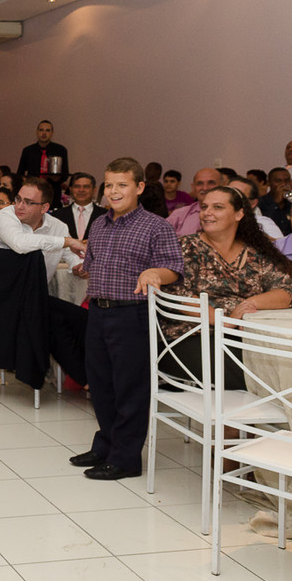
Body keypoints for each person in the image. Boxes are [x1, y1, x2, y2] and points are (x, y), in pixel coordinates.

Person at [70, 157, 182, 481]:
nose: (114, 191)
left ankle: (126, 458)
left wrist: (152, 272)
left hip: (132, 314)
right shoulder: (99, 225)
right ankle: (105, 444)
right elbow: (91, 262)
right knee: (100, 384)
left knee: (130, 388)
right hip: (98, 311)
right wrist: (84, 269)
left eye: (122, 185)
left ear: (140, 187)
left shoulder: (156, 226)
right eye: (109, 185)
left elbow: (173, 268)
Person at [161, 186, 292, 387]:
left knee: (286, 363)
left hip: (242, 338)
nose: (207, 213)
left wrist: (249, 303)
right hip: (188, 338)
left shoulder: (255, 253)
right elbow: (174, 293)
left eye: (217, 207)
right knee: (260, 372)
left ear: (239, 214)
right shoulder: (185, 247)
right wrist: (224, 321)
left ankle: (250, 418)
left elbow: (288, 291)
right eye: (205, 207)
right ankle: (238, 418)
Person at [0, 178, 85, 281]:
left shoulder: (58, 227)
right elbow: (20, 243)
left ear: (44, 208)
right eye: (18, 199)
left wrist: (79, 267)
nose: (19, 206)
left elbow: (72, 255)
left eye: (28, 202)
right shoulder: (4, 216)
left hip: (37, 294)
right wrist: (67, 241)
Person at [166, 167, 224, 237]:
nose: (205, 188)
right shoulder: (179, 215)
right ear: (193, 187)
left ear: (223, 186)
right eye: (199, 183)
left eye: (211, 183)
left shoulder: (231, 215)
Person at [52, 172, 107, 240]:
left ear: (94, 189)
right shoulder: (57, 216)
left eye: (86, 186)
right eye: (77, 186)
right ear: (70, 189)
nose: (81, 190)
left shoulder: (106, 215)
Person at [16, 119, 70, 187]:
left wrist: (57, 179)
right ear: (37, 132)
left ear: (52, 133)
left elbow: (65, 174)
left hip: (53, 189)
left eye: (47, 130)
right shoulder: (28, 150)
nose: (44, 133)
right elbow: (20, 173)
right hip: (33, 188)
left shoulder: (60, 150)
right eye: (41, 130)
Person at [258, 167, 292, 235]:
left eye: (287, 180)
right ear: (268, 183)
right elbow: (262, 226)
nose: (283, 184)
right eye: (278, 181)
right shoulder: (260, 203)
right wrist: (275, 204)